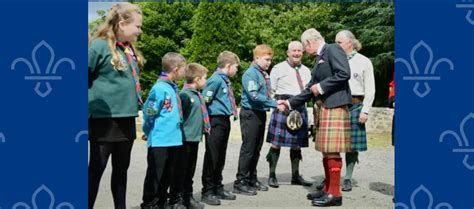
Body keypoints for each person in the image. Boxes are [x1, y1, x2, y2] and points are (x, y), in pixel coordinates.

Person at [280, 28, 351, 207]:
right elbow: (309, 87)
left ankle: (335, 194)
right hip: (325, 107)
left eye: (304, 47)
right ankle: (328, 188)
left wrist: (321, 87)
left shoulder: (333, 49)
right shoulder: (319, 58)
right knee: (327, 149)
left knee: (332, 149)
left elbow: (344, 73)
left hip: (334, 105)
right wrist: (288, 103)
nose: (304, 51)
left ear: (309, 43)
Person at [88, 3, 144, 209]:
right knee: (96, 170)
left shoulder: (128, 50)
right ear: (122, 23)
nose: (140, 30)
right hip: (105, 120)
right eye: (137, 26)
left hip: (126, 119)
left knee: (121, 171)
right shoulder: (99, 46)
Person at [140, 52, 187, 209]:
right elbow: (150, 112)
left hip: (174, 139)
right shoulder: (159, 88)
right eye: (183, 69)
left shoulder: (172, 88)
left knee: (168, 173)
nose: (184, 72)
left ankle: (161, 200)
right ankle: (150, 202)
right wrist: (148, 130)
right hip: (160, 139)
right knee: (156, 174)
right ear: (175, 69)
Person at [265, 41, 313, 188]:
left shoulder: (306, 70)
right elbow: (270, 90)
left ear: (302, 53)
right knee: (276, 143)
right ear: (288, 52)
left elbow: (308, 91)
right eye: (294, 51)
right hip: (282, 106)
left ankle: (295, 176)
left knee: (297, 144)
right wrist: (276, 105)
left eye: (299, 51)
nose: (297, 53)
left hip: (300, 107)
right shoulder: (278, 68)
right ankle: (272, 175)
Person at [234, 44, 277, 196]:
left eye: (270, 60)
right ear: (256, 58)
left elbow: (266, 93)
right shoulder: (250, 74)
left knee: (256, 149)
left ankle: (252, 178)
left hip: (259, 113)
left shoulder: (263, 74)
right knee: (248, 149)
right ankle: (241, 181)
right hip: (250, 114)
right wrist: (275, 103)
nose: (268, 62)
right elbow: (254, 96)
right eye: (266, 59)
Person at [335, 30, 376, 192]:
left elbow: (371, 88)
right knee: (333, 143)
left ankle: (347, 178)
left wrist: (365, 110)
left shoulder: (364, 61)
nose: (335, 45)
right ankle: (333, 176)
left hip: (356, 105)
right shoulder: (334, 59)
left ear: (350, 43)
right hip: (336, 105)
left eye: (339, 42)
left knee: (352, 145)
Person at [201, 51, 240, 206]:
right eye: (236, 67)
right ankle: (208, 190)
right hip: (215, 121)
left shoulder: (225, 81)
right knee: (213, 155)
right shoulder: (216, 80)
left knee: (221, 155)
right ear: (228, 65)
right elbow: (205, 100)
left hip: (224, 120)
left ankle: (218, 186)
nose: (237, 70)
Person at [174, 63, 209, 209]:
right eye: (205, 78)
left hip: (194, 139)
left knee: (190, 170)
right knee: (182, 170)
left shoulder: (197, 95)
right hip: (185, 139)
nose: (206, 81)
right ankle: (178, 198)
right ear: (197, 79)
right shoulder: (185, 96)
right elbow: (179, 117)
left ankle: (188, 196)